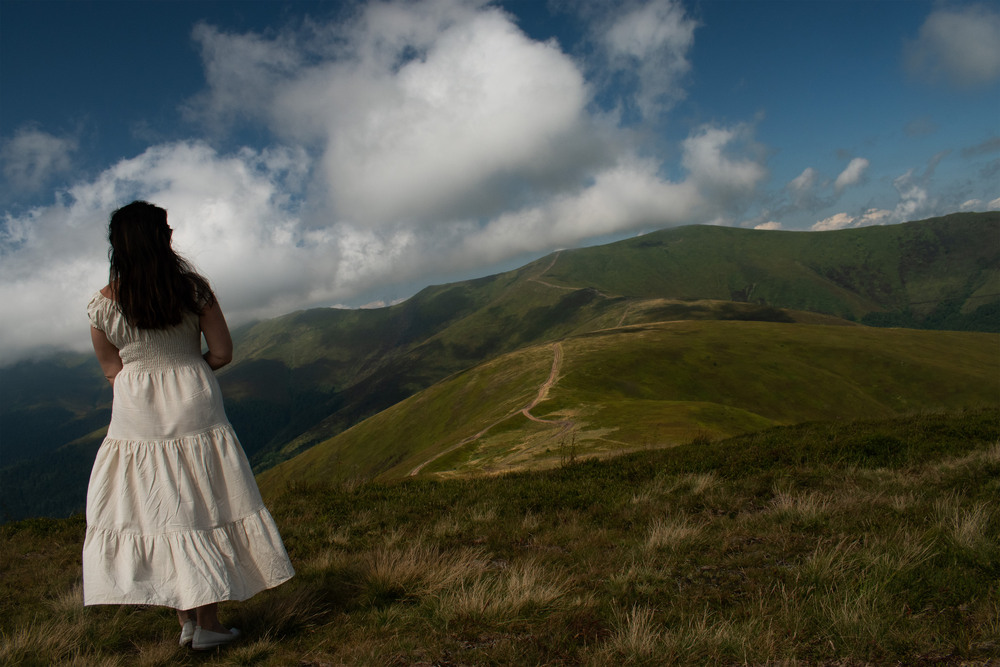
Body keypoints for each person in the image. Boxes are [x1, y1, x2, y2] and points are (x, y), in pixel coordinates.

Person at [83, 200, 294, 651]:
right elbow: (222, 352)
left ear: (118, 244)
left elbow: (111, 371)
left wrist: (144, 381)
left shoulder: (102, 305)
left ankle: (186, 621)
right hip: (193, 400)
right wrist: (187, 369)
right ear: (161, 238)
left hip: (136, 409)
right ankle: (210, 625)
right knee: (204, 500)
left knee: (160, 506)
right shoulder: (193, 290)